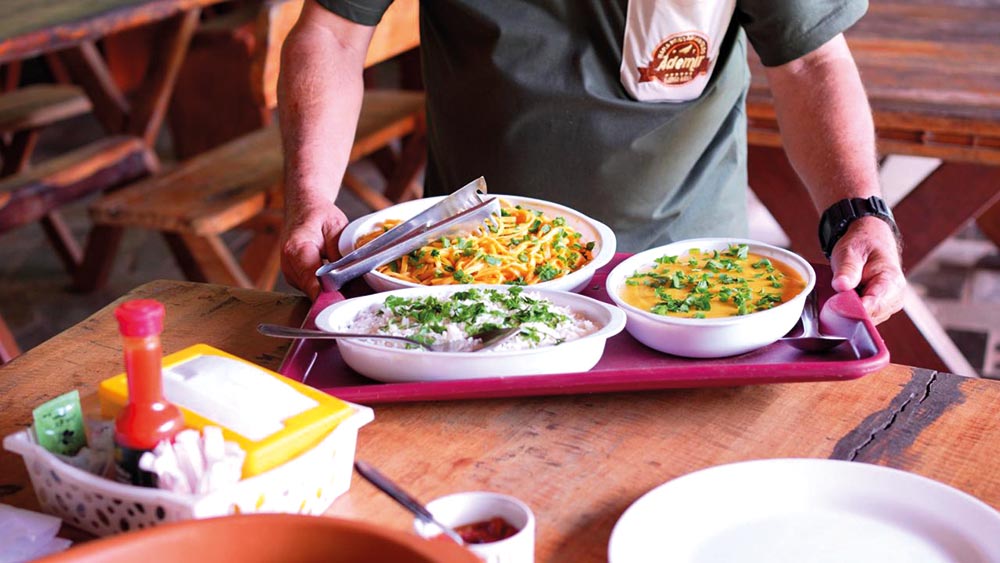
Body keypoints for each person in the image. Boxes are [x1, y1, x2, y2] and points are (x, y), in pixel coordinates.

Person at [277, 0, 905, 324]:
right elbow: (332, 32)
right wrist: (311, 198)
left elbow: (810, 63)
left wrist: (858, 212)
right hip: (465, 282)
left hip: (688, 283)